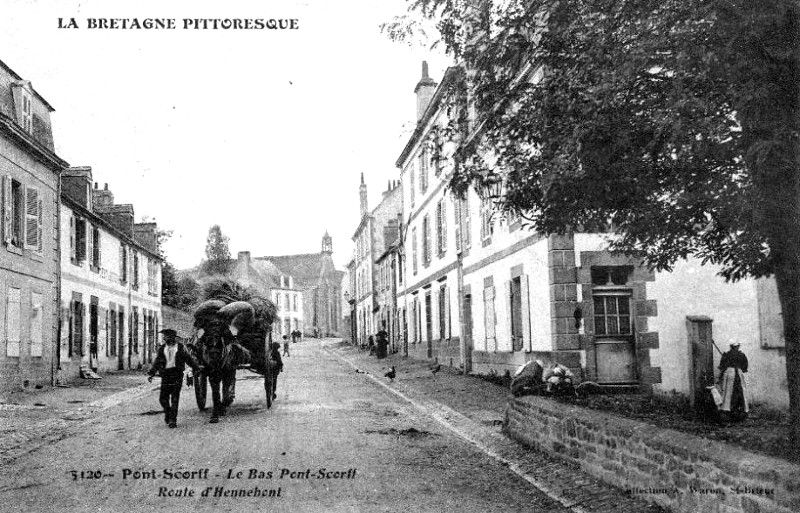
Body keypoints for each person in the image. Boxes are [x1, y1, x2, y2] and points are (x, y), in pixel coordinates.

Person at [148, 329, 201, 428]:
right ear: (164, 338)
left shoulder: (181, 348)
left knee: (175, 398)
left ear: (174, 338)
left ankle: (173, 420)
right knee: (163, 399)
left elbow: (188, 359)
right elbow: (158, 361)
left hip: (177, 375)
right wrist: (151, 373)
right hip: (165, 375)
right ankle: (168, 413)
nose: (167, 338)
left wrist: (196, 368)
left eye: (170, 336)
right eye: (166, 336)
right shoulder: (162, 348)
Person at [718, 341, 749, 421]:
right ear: (737, 346)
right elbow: (745, 368)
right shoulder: (741, 355)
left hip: (729, 374)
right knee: (739, 392)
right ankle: (740, 412)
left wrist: (720, 377)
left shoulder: (726, 355)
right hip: (737, 374)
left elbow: (722, 367)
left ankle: (727, 410)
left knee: (728, 392)